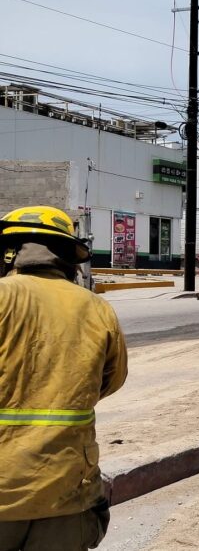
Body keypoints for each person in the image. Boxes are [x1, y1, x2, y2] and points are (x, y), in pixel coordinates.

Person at [0, 206, 128, 550]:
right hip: (67, 492)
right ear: (68, 258)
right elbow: (112, 380)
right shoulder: (96, 308)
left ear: (9, 252)